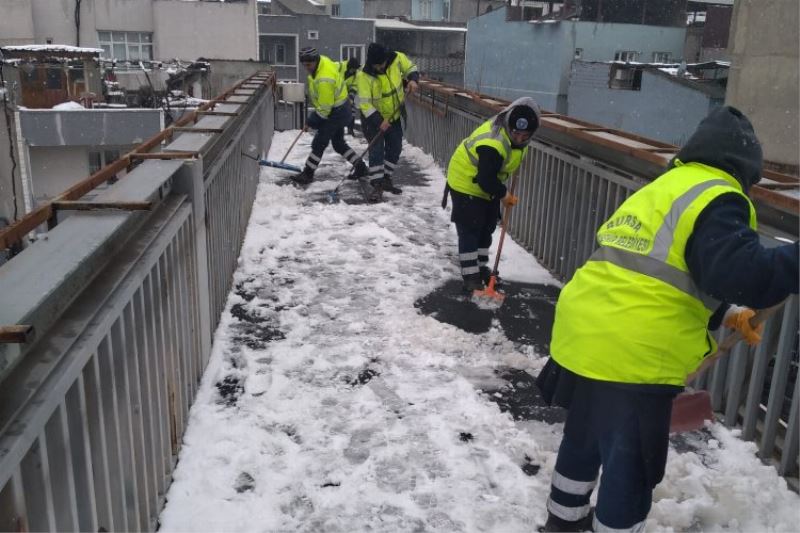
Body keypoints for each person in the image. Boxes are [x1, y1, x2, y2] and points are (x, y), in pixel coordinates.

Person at [535, 106, 799, 532]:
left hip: (583, 334)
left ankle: (562, 523)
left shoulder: (665, 186)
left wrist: (728, 315)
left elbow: (658, 272)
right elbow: (744, 276)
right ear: (746, 170)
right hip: (632, 355)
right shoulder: (720, 196)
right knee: (630, 470)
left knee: (582, 442)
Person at [443, 97, 540, 292]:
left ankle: (480, 267)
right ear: (509, 126)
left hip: (486, 185)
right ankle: (471, 276)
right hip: (466, 181)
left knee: (486, 226)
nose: (520, 139)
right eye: (516, 134)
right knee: (471, 229)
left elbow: (493, 175)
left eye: (525, 136)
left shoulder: (518, 138)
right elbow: (486, 178)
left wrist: (499, 191)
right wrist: (503, 195)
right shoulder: (493, 142)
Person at [292, 47, 367, 185]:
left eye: (309, 65)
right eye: (304, 65)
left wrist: (311, 121)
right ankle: (361, 166)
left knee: (319, 142)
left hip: (337, 112)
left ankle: (308, 174)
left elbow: (324, 110)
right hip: (339, 108)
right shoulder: (324, 62)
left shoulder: (324, 78)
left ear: (315, 61)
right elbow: (340, 66)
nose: (306, 68)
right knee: (338, 144)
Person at [356, 42, 419, 201]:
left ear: (386, 59)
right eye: (376, 65)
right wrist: (379, 121)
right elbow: (364, 103)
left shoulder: (397, 58)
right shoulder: (364, 75)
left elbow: (411, 68)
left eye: (381, 64)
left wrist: (412, 80)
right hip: (373, 118)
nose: (379, 68)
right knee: (376, 150)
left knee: (395, 147)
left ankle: (386, 179)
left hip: (394, 115)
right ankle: (376, 185)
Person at [342, 57, 360, 137]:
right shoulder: (341, 68)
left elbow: (354, 87)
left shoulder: (356, 76)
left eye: (355, 69)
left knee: (352, 110)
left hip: (349, 93)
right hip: (337, 93)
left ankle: (350, 129)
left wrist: (351, 97)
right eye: (353, 68)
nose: (354, 70)